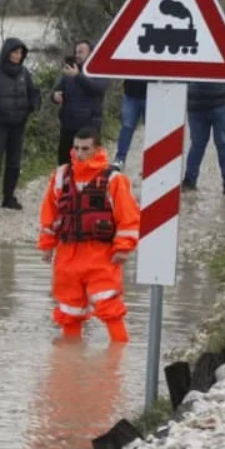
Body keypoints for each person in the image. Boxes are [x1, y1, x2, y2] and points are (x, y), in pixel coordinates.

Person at [36, 127, 140, 343]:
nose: (79, 153)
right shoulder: (61, 176)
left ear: (98, 148)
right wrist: (47, 244)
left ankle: (119, 355)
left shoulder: (114, 179)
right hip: (67, 254)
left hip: (100, 254)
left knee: (110, 308)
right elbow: (50, 211)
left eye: (85, 149)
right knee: (69, 311)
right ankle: (70, 358)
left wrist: (123, 248)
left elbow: (128, 217)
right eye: (76, 148)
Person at [0, 37, 41, 210]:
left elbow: (33, 92)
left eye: (21, 53)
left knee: (14, 163)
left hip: (18, 124)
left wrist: (33, 105)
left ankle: (9, 197)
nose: (18, 56)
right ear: (7, 53)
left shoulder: (24, 73)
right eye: (15, 52)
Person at [50, 40, 110, 167]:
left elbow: (98, 89)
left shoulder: (99, 69)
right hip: (68, 126)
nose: (77, 55)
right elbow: (56, 90)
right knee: (64, 164)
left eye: (81, 52)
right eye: (76, 52)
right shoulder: (69, 71)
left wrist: (77, 76)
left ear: (91, 54)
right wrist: (55, 96)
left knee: (87, 165)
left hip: (89, 127)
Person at [113, 78, 147, 171]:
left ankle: (152, 162)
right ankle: (120, 159)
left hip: (153, 93)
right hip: (130, 94)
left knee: (152, 130)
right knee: (126, 127)